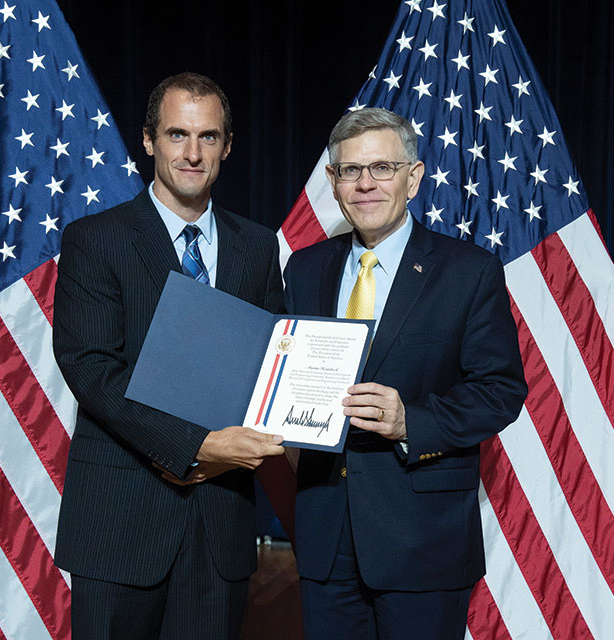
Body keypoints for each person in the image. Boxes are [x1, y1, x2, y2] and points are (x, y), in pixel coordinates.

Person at [52, 72, 285, 640]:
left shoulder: (257, 246)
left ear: (227, 147)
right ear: (150, 140)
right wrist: (196, 446)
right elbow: (92, 367)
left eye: (208, 137)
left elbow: (270, 363)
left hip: (219, 527)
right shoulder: (95, 238)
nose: (192, 151)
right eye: (177, 134)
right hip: (120, 522)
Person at [283, 108, 528, 639]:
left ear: (413, 178)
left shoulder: (468, 271)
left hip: (424, 541)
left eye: (382, 168)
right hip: (325, 535)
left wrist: (409, 423)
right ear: (333, 181)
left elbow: (500, 392)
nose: (365, 183)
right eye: (350, 171)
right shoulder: (304, 269)